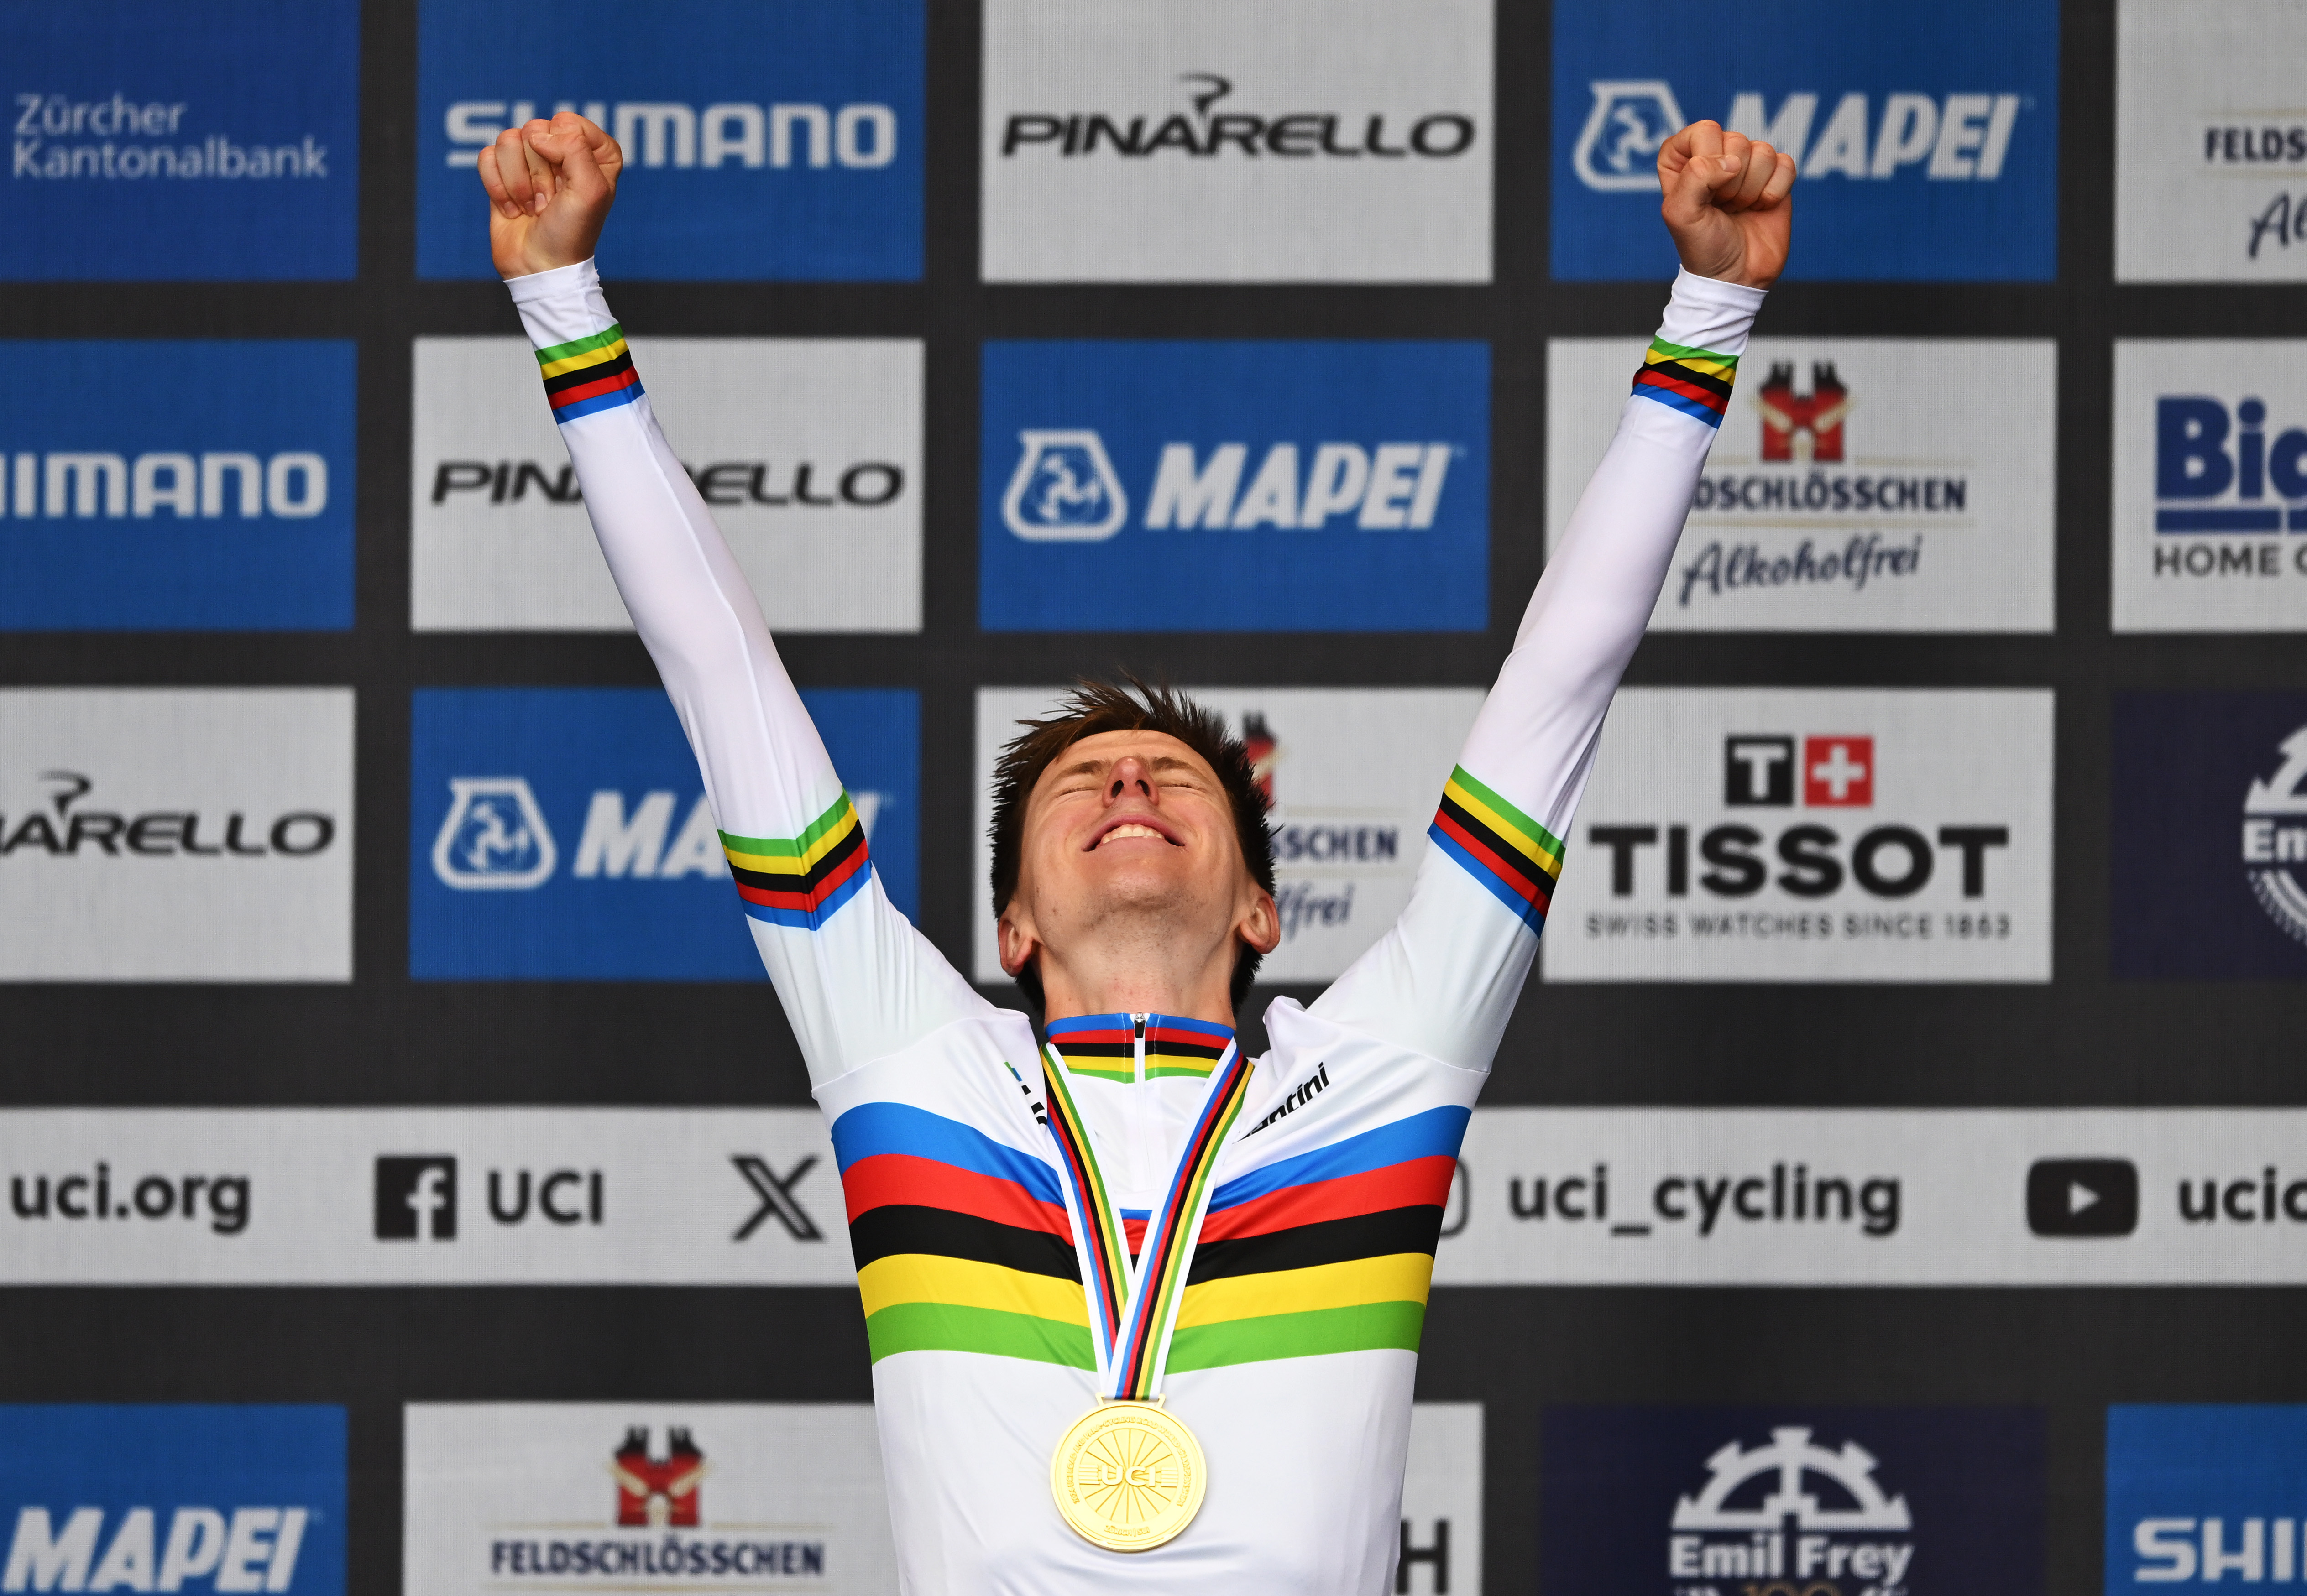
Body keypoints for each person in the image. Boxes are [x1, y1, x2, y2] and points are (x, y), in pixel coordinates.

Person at [477, 111, 1793, 1594]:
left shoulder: (1386, 1062)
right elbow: (722, 675)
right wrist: (561, 303)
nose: (1126, 777)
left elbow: (1563, 677)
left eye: (1175, 776)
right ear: (1013, 927)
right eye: (1078, 783)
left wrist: (1711, 314)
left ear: (1259, 904)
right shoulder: (910, 1057)